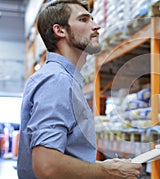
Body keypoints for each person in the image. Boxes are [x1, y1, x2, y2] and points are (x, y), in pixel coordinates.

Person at [17, 0, 142, 178]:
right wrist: (107, 172)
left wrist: (101, 165)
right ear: (59, 30)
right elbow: (47, 165)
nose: (96, 26)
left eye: (92, 19)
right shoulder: (56, 80)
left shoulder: (64, 79)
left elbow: (65, 154)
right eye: (84, 20)